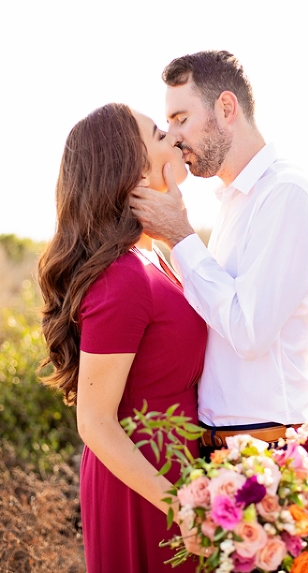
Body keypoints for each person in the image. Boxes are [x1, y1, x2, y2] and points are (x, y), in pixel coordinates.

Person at [129, 51, 308, 465]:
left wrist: (180, 235)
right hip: (229, 448)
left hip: (272, 451)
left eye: (181, 119)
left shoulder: (285, 194)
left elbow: (249, 332)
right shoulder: (234, 202)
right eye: (167, 124)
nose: (172, 137)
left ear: (226, 108)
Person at [37, 103, 206, 572]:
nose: (174, 137)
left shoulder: (155, 258)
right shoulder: (123, 276)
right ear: (128, 169)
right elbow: (94, 421)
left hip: (177, 468)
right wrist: (178, 505)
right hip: (145, 485)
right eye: (158, 135)